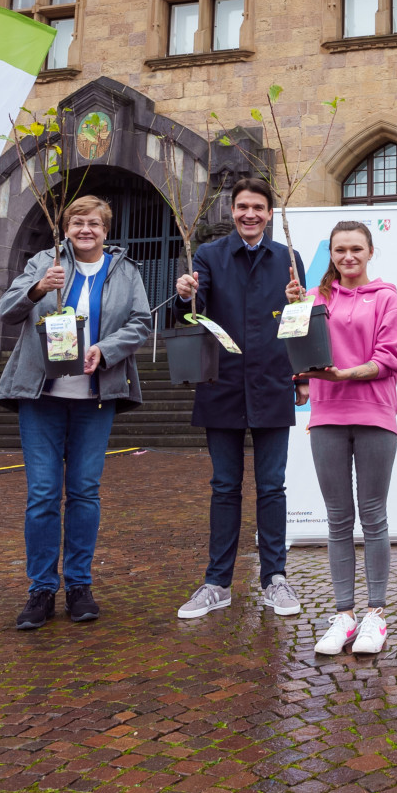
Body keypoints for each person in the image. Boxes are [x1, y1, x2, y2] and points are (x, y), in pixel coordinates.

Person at [0, 195, 152, 630]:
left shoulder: (126, 270)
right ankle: (41, 589)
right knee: (43, 493)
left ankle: (79, 584)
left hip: (94, 396)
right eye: (78, 222)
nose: (86, 230)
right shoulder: (42, 262)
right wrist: (38, 288)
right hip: (41, 394)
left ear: (106, 230)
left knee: (84, 490)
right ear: (65, 227)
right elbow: (6, 312)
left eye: (95, 224)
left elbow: (141, 322)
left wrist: (106, 349)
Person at [173, 178, 308, 620]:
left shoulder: (289, 259)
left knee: (272, 487)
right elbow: (195, 311)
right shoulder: (209, 256)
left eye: (258, 207)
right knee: (224, 487)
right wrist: (186, 294)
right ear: (231, 211)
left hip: (271, 382)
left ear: (269, 214)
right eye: (242, 206)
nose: (250, 214)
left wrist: (301, 372)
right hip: (222, 383)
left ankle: (275, 580)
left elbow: (299, 323)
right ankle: (216, 583)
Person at [284, 220, 397, 655]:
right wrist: (295, 315)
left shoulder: (387, 299)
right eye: (340, 250)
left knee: (373, 516)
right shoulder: (315, 299)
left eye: (356, 248)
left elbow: (391, 357)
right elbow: (299, 353)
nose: (348, 257)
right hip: (327, 415)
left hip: (374, 414)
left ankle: (375, 615)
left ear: (370, 252)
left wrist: (346, 374)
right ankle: (344, 616)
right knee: (337, 518)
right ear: (332, 254)